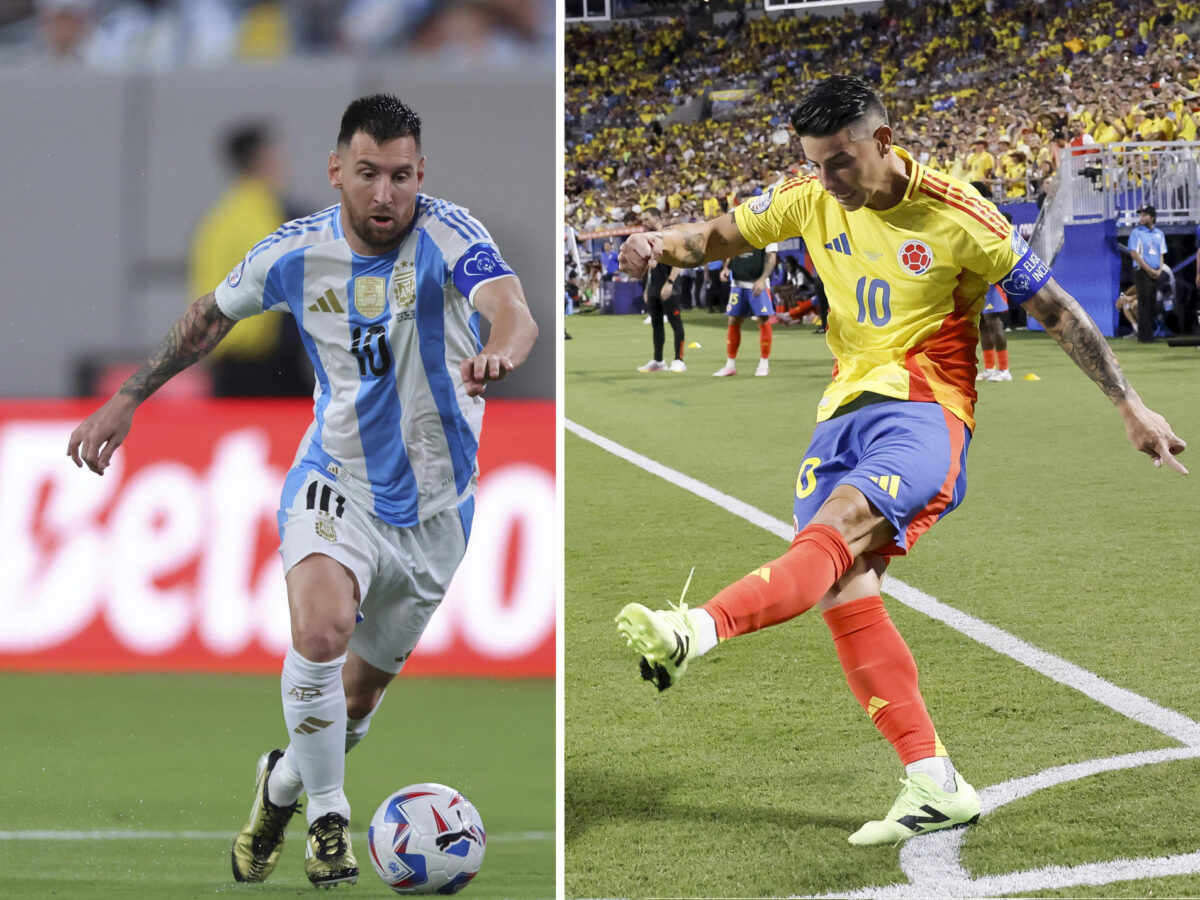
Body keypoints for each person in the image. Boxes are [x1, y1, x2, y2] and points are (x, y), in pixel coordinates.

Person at [615, 75, 1186, 848]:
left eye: (840, 161)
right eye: (815, 162)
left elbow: (1052, 308)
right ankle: (933, 780)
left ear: (883, 142)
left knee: (840, 531)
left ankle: (694, 630)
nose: (826, 179)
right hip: (840, 414)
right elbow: (715, 238)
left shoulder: (959, 214)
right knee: (844, 587)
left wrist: (1129, 404)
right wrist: (658, 241)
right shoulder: (809, 197)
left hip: (926, 413)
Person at [66, 94, 538, 887]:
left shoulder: (453, 235)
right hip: (335, 480)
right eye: (366, 174)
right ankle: (328, 821)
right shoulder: (293, 251)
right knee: (321, 633)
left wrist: (502, 350)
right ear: (335, 171)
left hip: (436, 513)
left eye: (400, 175)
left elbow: (512, 309)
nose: (384, 193)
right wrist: (129, 397)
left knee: (349, 707)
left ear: (420, 173)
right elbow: (207, 320)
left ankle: (279, 787)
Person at [188, 120, 312, 397]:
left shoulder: (215, 222)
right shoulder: (283, 216)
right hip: (273, 363)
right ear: (266, 159)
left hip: (226, 363)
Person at [713, 238, 778, 377]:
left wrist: (762, 279)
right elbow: (732, 251)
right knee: (733, 320)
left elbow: (771, 257)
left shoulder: (767, 230)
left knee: (763, 319)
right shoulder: (739, 228)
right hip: (737, 283)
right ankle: (730, 365)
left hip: (757, 284)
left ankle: (764, 363)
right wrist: (726, 268)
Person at [635, 207, 686, 373]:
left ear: (657, 217)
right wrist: (648, 287)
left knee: (675, 323)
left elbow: (679, 261)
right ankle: (658, 361)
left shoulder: (670, 235)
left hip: (670, 287)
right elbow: (651, 265)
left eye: (646, 219)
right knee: (656, 325)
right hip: (654, 288)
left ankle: (679, 360)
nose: (644, 223)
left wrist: (670, 282)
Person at [1129, 204, 1168, 342]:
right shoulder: (1136, 233)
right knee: (1144, 303)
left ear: (1152, 217)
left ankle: (1149, 333)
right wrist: (1150, 270)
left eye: (1145, 215)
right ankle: (1144, 336)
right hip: (1142, 272)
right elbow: (1134, 254)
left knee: (1152, 303)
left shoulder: (1159, 234)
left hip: (1155, 271)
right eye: (1141, 215)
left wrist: (1159, 269)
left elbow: (1161, 254)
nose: (1142, 218)